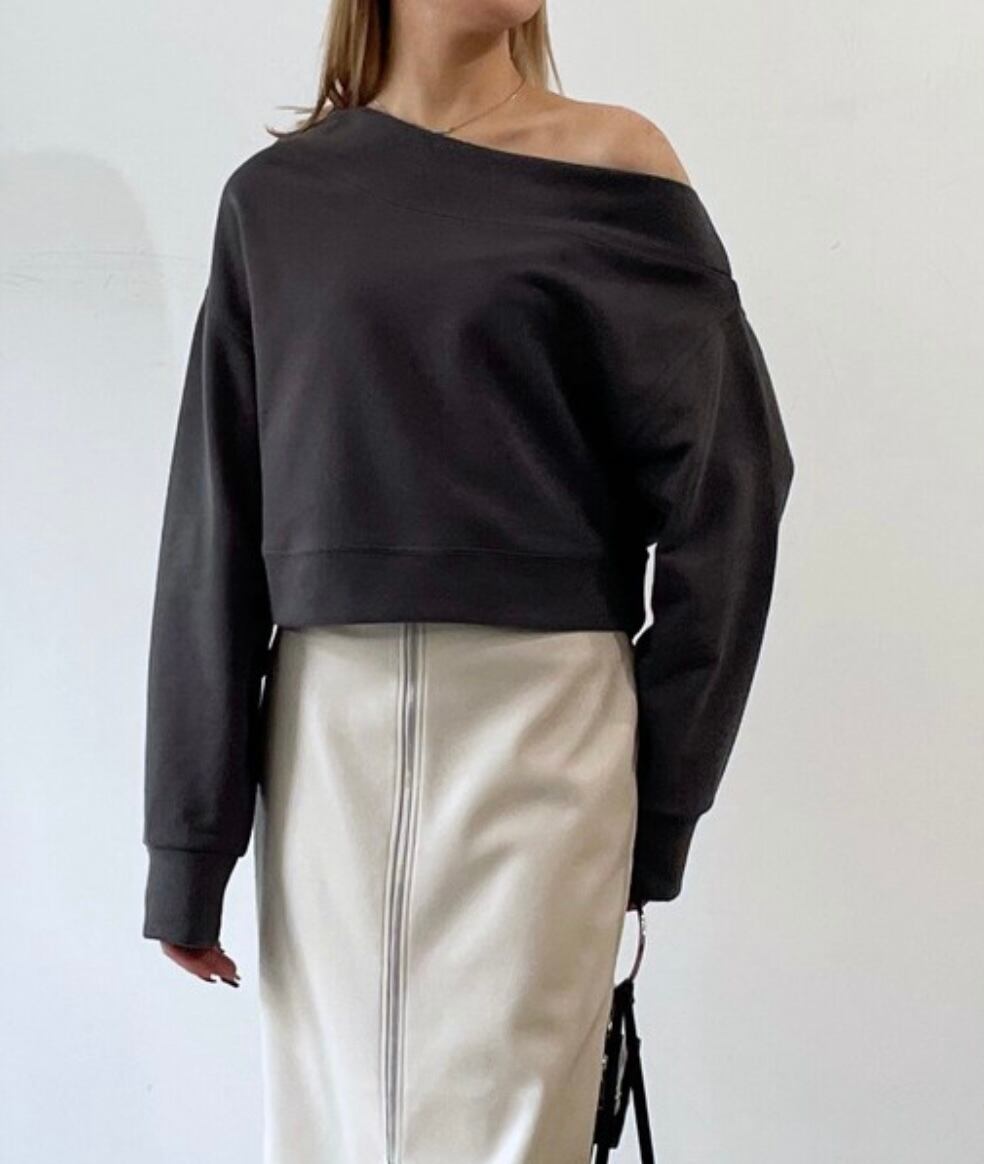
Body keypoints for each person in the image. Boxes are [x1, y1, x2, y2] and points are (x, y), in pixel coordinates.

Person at [140, 0, 795, 1160]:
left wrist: (660, 800)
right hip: (327, 742)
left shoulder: (615, 166)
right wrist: (189, 848)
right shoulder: (276, 202)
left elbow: (732, 487)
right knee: (334, 1132)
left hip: (544, 730)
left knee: (514, 1128)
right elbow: (215, 527)